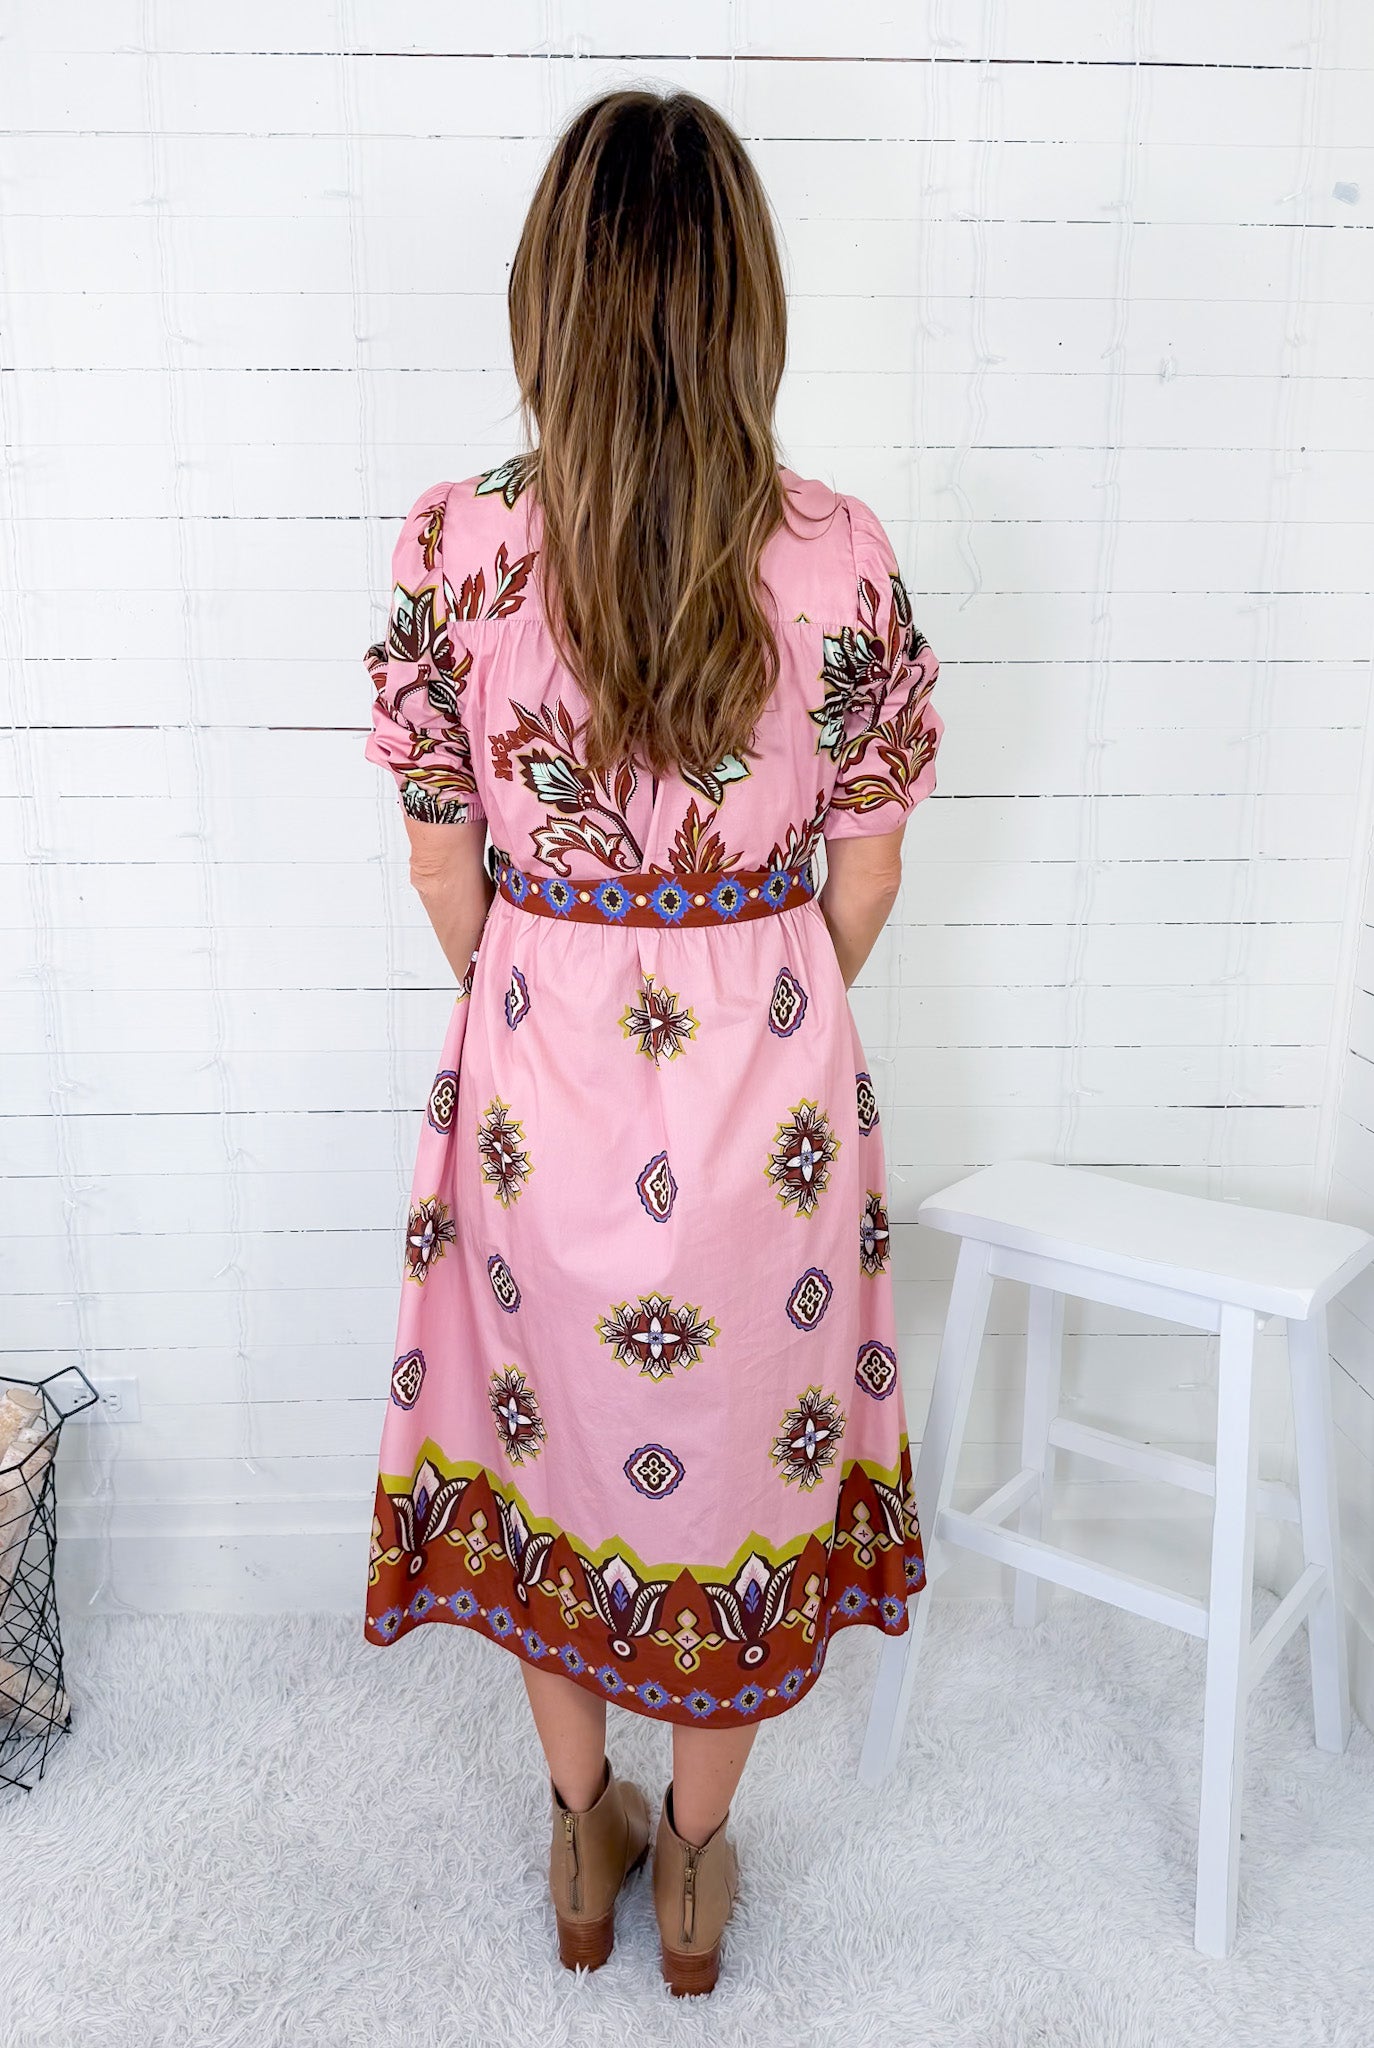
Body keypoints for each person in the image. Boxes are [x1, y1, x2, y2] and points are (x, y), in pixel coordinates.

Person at [361, 87, 943, 1998]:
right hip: (770, 1069)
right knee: (746, 1465)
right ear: (741, 300)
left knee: (557, 1453)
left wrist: (542, 994)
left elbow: (444, 870)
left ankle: (578, 1842)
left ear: (551, 293)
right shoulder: (837, 551)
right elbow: (860, 885)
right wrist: (757, 990)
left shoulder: (454, 543)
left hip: (539, 1062)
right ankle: (697, 1861)